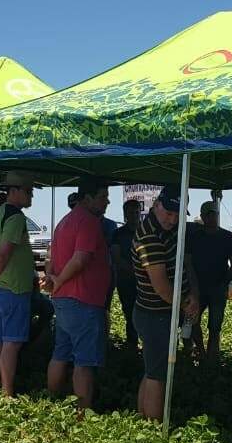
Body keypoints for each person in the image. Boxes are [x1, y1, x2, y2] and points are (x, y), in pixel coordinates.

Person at [132, 188, 199, 421]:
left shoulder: (164, 230)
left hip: (159, 314)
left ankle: (142, 419)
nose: (172, 219)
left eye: (178, 215)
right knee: (158, 376)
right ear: (157, 204)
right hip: (155, 315)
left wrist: (189, 295)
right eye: (169, 212)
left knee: (152, 370)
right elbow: (161, 287)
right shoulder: (149, 236)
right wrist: (184, 305)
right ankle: (152, 429)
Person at [45, 177, 112, 409]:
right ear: (88, 198)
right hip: (82, 299)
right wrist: (61, 281)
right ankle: (83, 413)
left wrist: (54, 281)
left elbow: (50, 260)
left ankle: (52, 400)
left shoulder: (64, 222)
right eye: (103, 197)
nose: (107, 201)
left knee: (61, 352)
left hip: (64, 299)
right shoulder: (89, 222)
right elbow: (81, 258)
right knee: (84, 360)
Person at [0, 171, 36, 397]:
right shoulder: (16, 218)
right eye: (28, 191)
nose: (31, 196)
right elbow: (1, 253)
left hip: (1, 288)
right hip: (14, 288)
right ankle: (7, 393)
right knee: (12, 343)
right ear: (14, 191)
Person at [186, 201, 232, 361]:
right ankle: (200, 353)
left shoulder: (227, 236)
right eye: (208, 214)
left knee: (215, 327)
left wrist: (224, 284)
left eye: (214, 214)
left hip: (218, 288)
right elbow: (187, 263)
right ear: (202, 216)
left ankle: (212, 358)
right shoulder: (194, 237)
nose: (211, 217)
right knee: (192, 322)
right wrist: (193, 286)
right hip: (197, 289)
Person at [112, 199, 143, 351]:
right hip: (126, 282)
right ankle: (132, 346)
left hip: (146, 283)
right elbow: (116, 258)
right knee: (130, 314)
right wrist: (135, 271)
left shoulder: (146, 231)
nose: (134, 215)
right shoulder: (118, 234)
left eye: (137, 212)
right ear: (125, 214)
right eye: (131, 212)